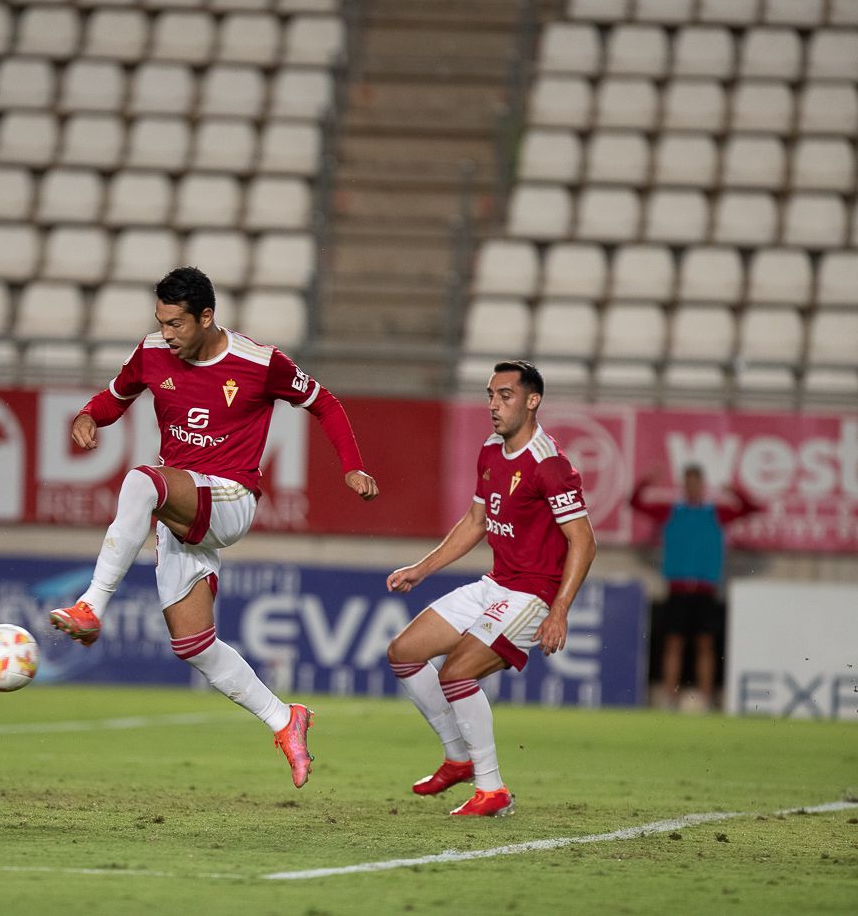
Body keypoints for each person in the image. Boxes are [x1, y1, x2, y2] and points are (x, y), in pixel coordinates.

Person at [47, 266, 379, 789]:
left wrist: (352, 465)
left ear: (207, 317)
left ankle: (91, 605)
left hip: (230, 498)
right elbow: (115, 397)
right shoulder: (152, 352)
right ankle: (285, 718)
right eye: (161, 322)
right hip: (183, 509)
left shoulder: (259, 362)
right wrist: (88, 416)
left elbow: (325, 403)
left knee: (140, 482)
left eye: (177, 323)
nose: (167, 334)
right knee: (194, 645)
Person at [384, 360, 596, 817]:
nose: (494, 406)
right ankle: (457, 757)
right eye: (490, 395)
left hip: (532, 594)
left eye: (505, 396)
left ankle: (492, 789)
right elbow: (476, 521)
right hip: (495, 585)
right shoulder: (490, 449)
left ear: (532, 401)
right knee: (403, 652)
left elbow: (584, 540)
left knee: (456, 674)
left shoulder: (549, 464)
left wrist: (558, 611)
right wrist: (422, 568)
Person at [630, 464, 763, 711]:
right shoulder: (672, 511)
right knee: (674, 643)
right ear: (684, 485)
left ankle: (705, 698)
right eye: (688, 483)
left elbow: (753, 508)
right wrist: (646, 483)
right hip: (678, 588)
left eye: (696, 483)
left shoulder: (715, 513)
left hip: (705, 589)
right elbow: (635, 503)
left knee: (706, 644)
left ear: (702, 485)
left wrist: (736, 491)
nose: (692, 488)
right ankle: (668, 698)